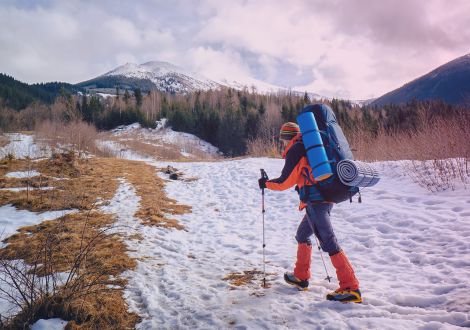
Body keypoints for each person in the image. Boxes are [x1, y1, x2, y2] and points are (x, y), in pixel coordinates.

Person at [258, 121, 362, 303]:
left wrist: (265, 183)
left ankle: (350, 287)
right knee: (302, 235)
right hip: (324, 198)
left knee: (328, 241)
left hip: (316, 202)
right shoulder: (308, 147)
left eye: (283, 139)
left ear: (286, 138)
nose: (283, 143)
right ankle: (300, 276)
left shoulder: (296, 149)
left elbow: (285, 181)